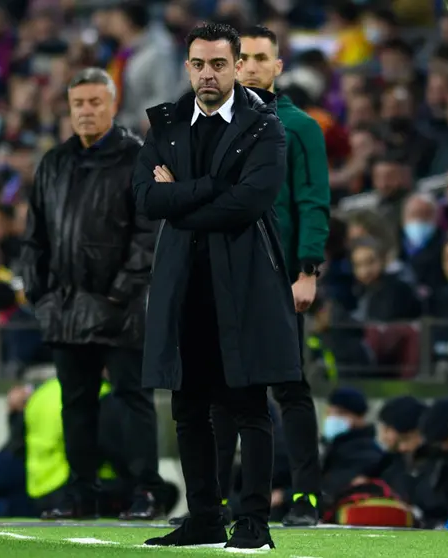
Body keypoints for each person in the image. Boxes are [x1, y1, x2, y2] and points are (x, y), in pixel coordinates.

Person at [133, 23, 300, 550]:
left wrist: (179, 198)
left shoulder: (265, 126)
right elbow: (145, 199)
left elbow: (250, 204)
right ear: (188, 67)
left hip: (244, 282)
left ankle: (252, 520)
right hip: (184, 283)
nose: (209, 74)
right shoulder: (166, 122)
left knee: (249, 404)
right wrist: (207, 191)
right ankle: (205, 516)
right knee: (188, 409)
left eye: (219, 65)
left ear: (235, 66)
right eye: (200, 65)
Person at [19, 67, 163, 521]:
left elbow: (149, 233)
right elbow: (34, 235)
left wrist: (119, 294)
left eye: (95, 102)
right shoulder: (55, 162)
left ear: (113, 104)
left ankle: (146, 491)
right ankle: (81, 492)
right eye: (79, 103)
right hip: (65, 307)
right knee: (75, 403)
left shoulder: (137, 157)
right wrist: (37, 292)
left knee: (132, 397)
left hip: (121, 309)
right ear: (68, 107)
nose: (86, 111)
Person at [211, 24, 331, 527]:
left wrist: (307, 269)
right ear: (235, 66)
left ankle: (305, 497)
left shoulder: (300, 127)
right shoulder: (214, 125)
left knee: (288, 385)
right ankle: (216, 498)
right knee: (221, 386)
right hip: (224, 273)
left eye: (264, 58)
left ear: (278, 67)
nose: (255, 66)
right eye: (247, 59)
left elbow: (312, 199)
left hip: (279, 275)